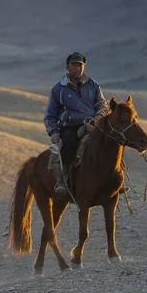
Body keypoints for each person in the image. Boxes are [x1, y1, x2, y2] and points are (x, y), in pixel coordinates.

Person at [44, 51, 108, 197]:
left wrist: (98, 117)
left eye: (81, 65)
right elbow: (50, 115)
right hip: (71, 127)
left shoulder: (93, 85)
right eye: (74, 65)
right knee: (67, 147)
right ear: (67, 67)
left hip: (94, 125)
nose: (78, 68)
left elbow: (102, 105)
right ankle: (62, 182)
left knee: (111, 143)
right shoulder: (59, 89)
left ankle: (114, 181)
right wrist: (53, 132)